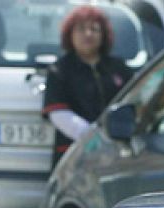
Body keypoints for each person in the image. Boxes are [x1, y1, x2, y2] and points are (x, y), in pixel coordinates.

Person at [41, 6, 133, 163]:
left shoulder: (119, 68)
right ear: (70, 35)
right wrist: (94, 139)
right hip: (74, 155)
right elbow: (59, 115)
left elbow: (133, 103)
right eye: (81, 29)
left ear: (103, 35)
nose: (88, 34)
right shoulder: (59, 70)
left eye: (94, 29)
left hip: (117, 155)